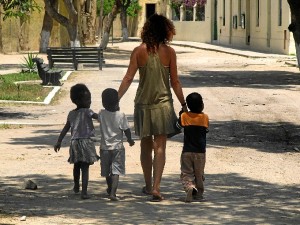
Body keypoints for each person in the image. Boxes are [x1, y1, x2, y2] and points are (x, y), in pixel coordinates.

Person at [118, 14, 187, 201]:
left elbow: (128, 78)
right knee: (160, 147)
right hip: (163, 105)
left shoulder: (138, 51)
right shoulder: (169, 52)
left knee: (145, 146)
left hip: (143, 105)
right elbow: (175, 82)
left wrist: (115, 100)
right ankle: (157, 187)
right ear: (165, 30)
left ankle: (148, 185)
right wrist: (184, 104)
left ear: (147, 30)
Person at [54, 83, 99, 200]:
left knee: (76, 166)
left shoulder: (71, 114)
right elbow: (98, 117)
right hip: (86, 143)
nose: (90, 102)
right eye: (88, 99)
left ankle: (76, 186)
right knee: (85, 168)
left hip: (74, 143)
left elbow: (65, 128)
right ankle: (84, 192)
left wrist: (59, 141)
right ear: (78, 100)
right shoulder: (88, 111)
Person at [98, 88, 135, 201]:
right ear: (117, 102)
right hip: (118, 148)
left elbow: (96, 116)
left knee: (107, 171)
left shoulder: (101, 114)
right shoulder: (121, 115)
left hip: (104, 148)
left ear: (103, 103)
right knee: (116, 171)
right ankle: (113, 193)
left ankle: (109, 188)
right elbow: (126, 130)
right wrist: (130, 140)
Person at [176, 92, 209, 202]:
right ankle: (199, 193)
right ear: (201, 105)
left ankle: (189, 187)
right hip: (200, 152)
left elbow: (177, 126)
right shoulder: (204, 117)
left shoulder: (185, 116)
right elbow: (206, 130)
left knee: (187, 172)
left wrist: (181, 114)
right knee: (199, 173)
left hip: (187, 151)